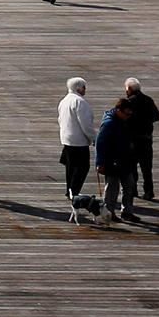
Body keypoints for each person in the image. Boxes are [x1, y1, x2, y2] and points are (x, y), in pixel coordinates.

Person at [58, 77, 97, 220]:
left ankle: (69, 190)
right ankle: (74, 192)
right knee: (82, 167)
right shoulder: (80, 102)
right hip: (79, 141)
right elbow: (86, 125)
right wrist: (94, 138)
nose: (85, 89)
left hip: (67, 140)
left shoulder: (64, 101)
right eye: (84, 87)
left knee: (70, 167)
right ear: (79, 88)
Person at [96, 95, 140, 221]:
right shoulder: (109, 124)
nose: (128, 116)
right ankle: (109, 212)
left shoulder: (124, 121)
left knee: (129, 186)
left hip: (126, 160)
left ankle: (127, 211)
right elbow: (100, 143)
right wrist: (100, 163)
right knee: (112, 189)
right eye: (127, 113)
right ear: (118, 110)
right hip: (112, 162)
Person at [123, 77, 159, 199]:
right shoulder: (148, 100)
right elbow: (157, 117)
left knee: (132, 166)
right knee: (146, 168)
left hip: (132, 140)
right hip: (146, 139)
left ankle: (133, 190)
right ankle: (149, 191)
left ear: (129, 89)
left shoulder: (128, 102)